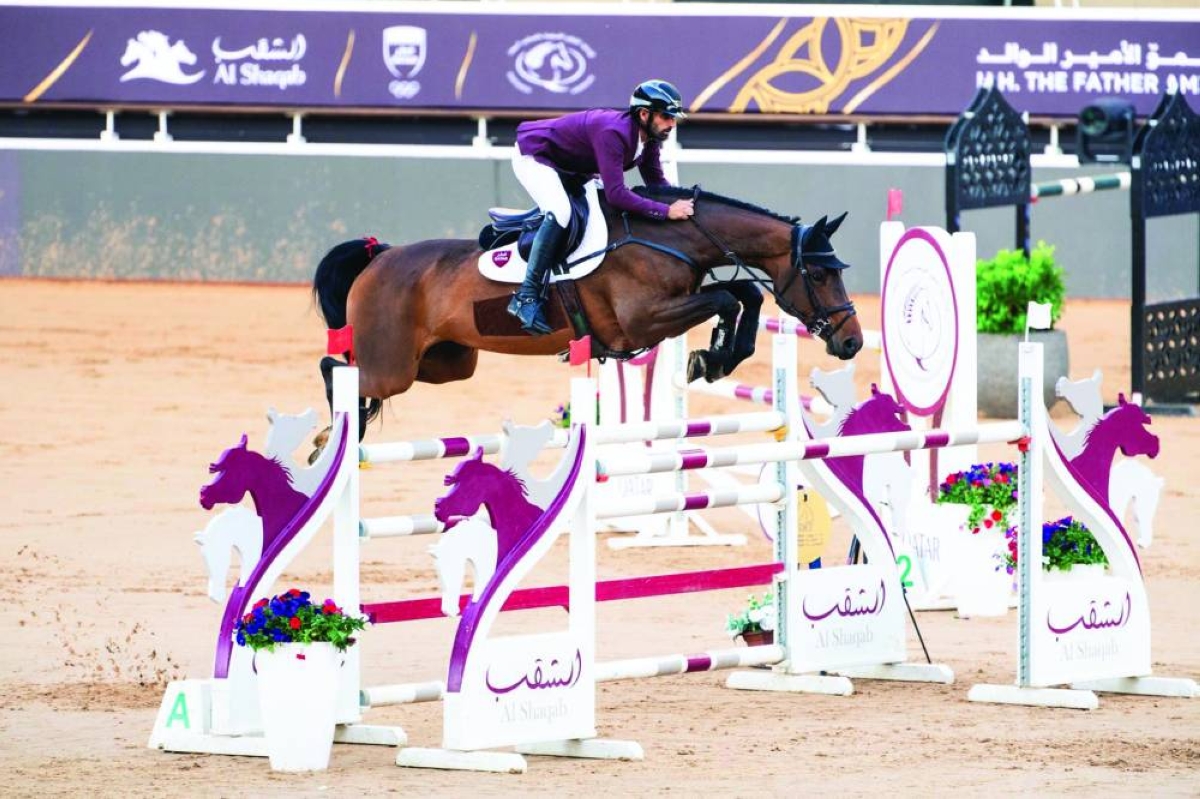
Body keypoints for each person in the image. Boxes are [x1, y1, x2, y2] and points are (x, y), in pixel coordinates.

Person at [506, 79, 697, 335]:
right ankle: (526, 296)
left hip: (571, 166)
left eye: (673, 118)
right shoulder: (613, 133)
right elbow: (616, 194)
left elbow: (656, 183)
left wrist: (685, 206)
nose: (672, 124)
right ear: (644, 114)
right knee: (561, 211)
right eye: (666, 116)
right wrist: (666, 211)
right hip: (535, 156)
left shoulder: (649, 139)